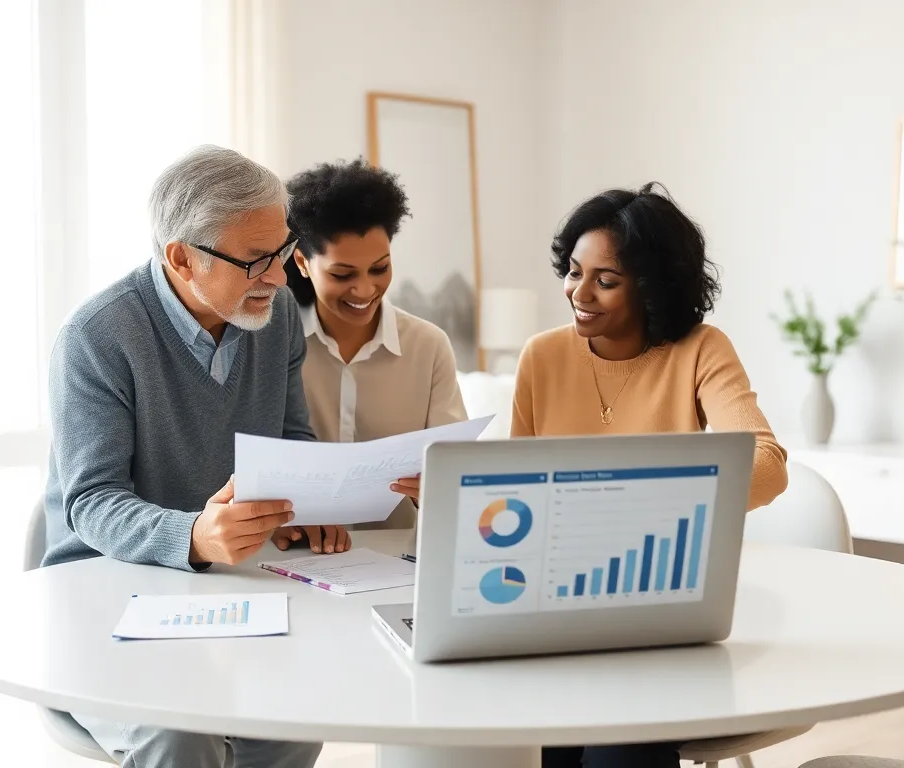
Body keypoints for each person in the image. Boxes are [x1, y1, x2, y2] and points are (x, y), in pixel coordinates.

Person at [42, 144, 349, 768]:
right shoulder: (96, 338)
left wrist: (308, 500)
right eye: (258, 260)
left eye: (285, 250)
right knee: (179, 735)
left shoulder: (277, 314)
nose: (279, 276)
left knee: (293, 724)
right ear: (181, 257)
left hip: (232, 592)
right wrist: (193, 537)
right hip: (106, 596)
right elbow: (90, 503)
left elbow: (291, 437)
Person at [511, 182, 788, 768]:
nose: (578, 293)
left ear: (652, 285)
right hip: (553, 612)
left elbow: (766, 464)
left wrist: (646, 509)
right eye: (573, 271)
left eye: (605, 280)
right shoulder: (541, 356)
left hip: (653, 607)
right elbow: (520, 489)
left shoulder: (699, 349)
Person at [282, 158, 468, 530]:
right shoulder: (273, 346)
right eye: (342, 273)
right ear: (301, 262)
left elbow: (456, 474)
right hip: (291, 555)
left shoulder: (428, 347)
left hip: (397, 561)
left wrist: (441, 486)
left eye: (380, 269)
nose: (365, 290)